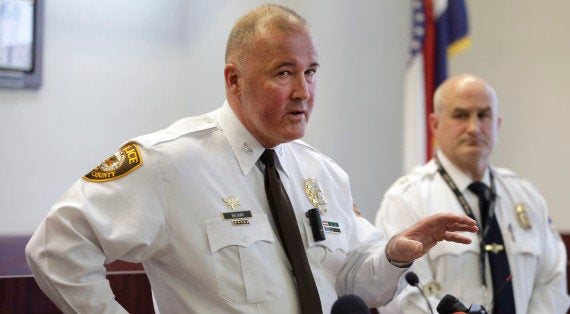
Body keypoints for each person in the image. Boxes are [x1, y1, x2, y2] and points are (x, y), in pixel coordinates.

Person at [25, 5, 478, 313]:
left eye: (310, 72)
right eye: (284, 73)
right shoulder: (170, 162)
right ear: (234, 80)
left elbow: (357, 285)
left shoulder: (322, 173)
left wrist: (394, 256)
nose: (303, 91)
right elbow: (56, 247)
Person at [375, 74, 570, 313]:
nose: (474, 128)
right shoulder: (407, 199)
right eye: (461, 115)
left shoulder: (525, 196)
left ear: (497, 124)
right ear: (435, 125)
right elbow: (403, 295)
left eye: (483, 115)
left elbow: (551, 282)